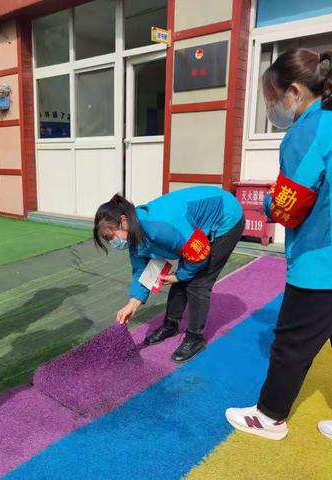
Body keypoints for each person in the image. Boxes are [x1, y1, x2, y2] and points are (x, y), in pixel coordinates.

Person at [226, 49, 332, 441]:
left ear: (293, 91)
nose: (273, 108)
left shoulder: (309, 130)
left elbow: (291, 206)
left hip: (321, 260)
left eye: (272, 98)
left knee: (291, 341)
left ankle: (270, 416)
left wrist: (269, 202)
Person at [93, 187, 244, 363]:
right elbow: (141, 271)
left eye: (111, 236)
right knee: (182, 276)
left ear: (124, 221)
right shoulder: (134, 234)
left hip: (225, 217)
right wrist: (132, 304)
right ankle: (170, 326)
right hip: (190, 230)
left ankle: (195, 338)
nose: (113, 242)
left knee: (198, 283)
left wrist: (179, 275)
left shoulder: (160, 227)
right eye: (107, 239)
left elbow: (199, 254)